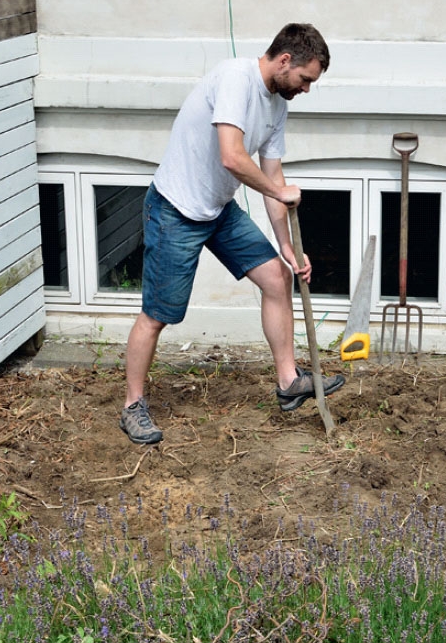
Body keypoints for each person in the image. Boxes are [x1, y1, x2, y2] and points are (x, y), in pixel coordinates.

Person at [120, 23, 345, 445]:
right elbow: (232, 156)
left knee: (277, 277)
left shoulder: (278, 104)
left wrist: (287, 246)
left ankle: (288, 381)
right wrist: (277, 191)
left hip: (219, 209)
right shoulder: (234, 79)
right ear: (284, 61)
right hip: (175, 210)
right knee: (158, 315)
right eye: (305, 79)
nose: (306, 89)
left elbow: (273, 175)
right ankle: (133, 406)